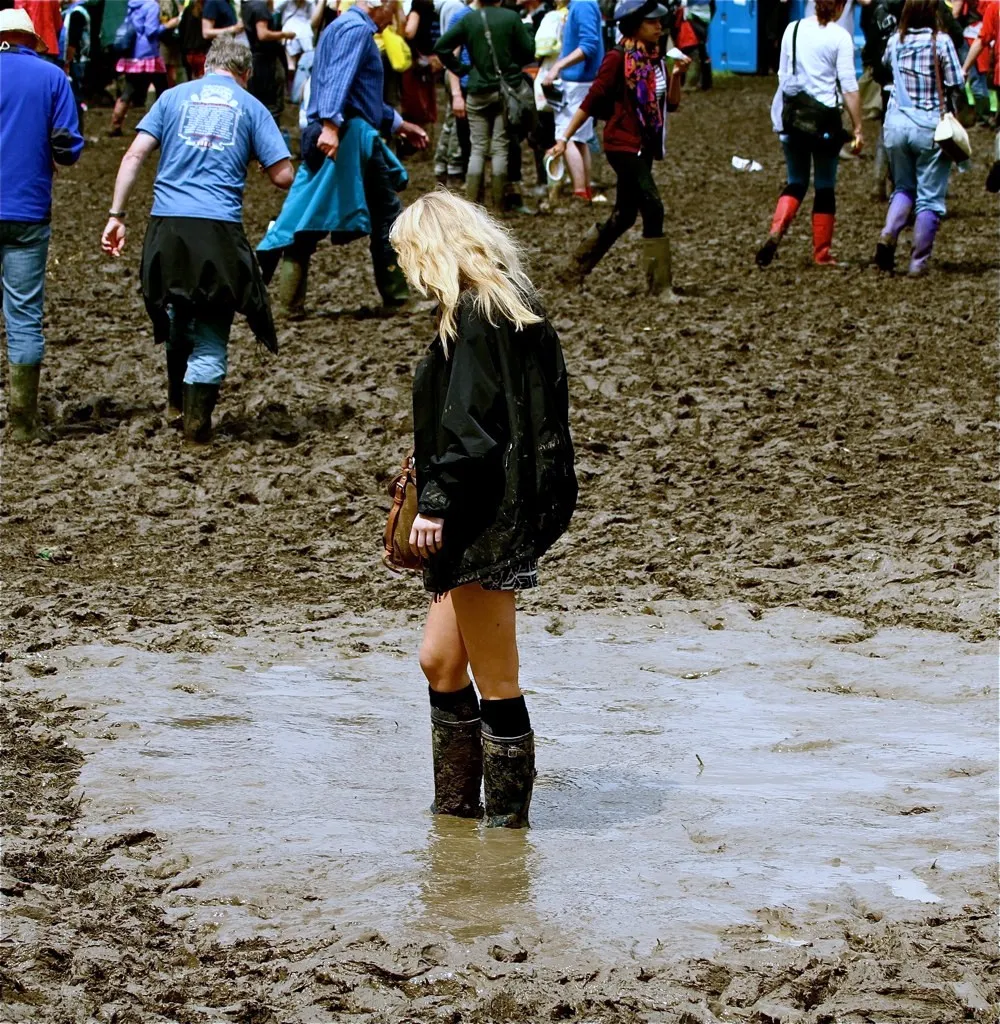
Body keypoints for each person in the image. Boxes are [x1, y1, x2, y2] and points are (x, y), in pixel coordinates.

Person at [390, 190, 577, 830]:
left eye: (407, 254)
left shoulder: (475, 317)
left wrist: (434, 506)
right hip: (508, 503)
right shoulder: (511, 307)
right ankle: (453, 814)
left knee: (498, 679)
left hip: (481, 515)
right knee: (440, 661)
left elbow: (469, 430)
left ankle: (504, 837)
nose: (406, 269)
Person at [100, 37, 293, 442]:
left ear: (206, 65)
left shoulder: (171, 98)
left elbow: (133, 156)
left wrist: (117, 215)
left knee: (178, 314)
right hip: (218, 231)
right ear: (246, 72)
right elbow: (283, 177)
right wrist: (261, 161)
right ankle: (195, 425)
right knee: (211, 331)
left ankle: (175, 402)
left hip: (167, 227)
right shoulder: (251, 106)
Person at [270, 0, 428, 313]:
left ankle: (290, 302)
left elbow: (356, 92)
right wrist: (331, 125)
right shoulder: (356, 30)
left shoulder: (338, 27)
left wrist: (400, 125)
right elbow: (338, 80)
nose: (394, 16)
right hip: (348, 136)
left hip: (335, 131)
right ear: (377, 6)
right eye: (392, 9)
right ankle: (397, 298)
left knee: (308, 215)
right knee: (387, 214)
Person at [547, 0, 687, 295]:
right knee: (653, 206)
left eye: (660, 21)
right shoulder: (617, 59)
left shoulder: (656, 59)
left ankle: (572, 270)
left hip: (644, 145)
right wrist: (564, 138)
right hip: (622, 144)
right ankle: (660, 287)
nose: (659, 26)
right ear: (635, 25)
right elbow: (592, 100)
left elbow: (671, 105)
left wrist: (676, 77)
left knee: (625, 214)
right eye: (652, 22)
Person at [0, 8, 83, 441]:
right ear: (31, 38)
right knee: (24, 317)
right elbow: (68, 147)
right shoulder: (52, 78)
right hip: (28, 211)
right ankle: (23, 423)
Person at [755, 0, 862, 268]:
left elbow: (782, 76)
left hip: (792, 119)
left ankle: (775, 231)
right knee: (824, 187)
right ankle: (822, 253)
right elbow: (849, 86)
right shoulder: (840, 37)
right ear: (839, 7)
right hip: (824, 122)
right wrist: (858, 126)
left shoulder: (792, 29)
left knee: (796, 182)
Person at [873, 0, 964, 273]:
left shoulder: (894, 42)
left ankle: (888, 232)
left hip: (896, 124)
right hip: (929, 127)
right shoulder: (942, 41)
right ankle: (918, 262)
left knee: (903, 188)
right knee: (930, 198)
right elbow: (955, 82)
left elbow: (885, 67)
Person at [435, 0, 536, 209]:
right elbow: (528, 52)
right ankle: (498, 207)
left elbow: (441, 47)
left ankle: (473, 207)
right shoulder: (511, 18)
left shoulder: (468, 18)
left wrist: (462, 69)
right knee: (500, 147)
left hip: (476, 90)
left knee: (477, 148)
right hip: (503, 91)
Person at [541, 0, 604, 201]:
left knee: (565, 137)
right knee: (580, 138)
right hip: (583, 80)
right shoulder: (583, 4)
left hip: (577, 81)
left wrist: (558, 66)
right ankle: (584, 189)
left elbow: (589, 45)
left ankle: (579, 191)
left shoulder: (582, 4)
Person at [109, 0, 174, 135]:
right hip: (149, 55)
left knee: (128, 91)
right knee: (163, 90)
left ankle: (115, 124)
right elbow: (151, 31)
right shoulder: (152, 6)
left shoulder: (133, 4)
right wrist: (167, 26)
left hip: (133, 54)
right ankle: (167, 125)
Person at [433, 0, 473, 187]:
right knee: (456, 122)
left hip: (455, 74)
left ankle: (443, 165)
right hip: (458, 75)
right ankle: (453, 168)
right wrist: (457, 90)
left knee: (451, 121)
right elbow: (452, 50)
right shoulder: (458, 10)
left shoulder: (452, 7)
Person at [242, 0, 296, 125]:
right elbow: (263, 34)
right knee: (271, 106)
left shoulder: (247, 5)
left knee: (258, 103)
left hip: (256, 60)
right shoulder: (259, 7)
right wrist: (284, 34)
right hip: (267, 61)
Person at [60, 0, 93, 127]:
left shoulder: (76, 13)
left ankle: (77, 130)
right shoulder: (79, 10)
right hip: (79, 60)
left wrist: (67, 62)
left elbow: (73, 41)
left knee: (75, 97)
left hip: (76, 61)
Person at [179, 0, 209, 78]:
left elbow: (181, 30)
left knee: (191, 78)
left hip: (189, 52)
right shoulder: (208, 10)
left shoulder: (188, 9)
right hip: (202, 52)